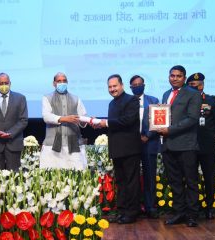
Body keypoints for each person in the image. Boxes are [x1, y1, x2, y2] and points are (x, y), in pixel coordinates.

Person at [156, 65, 201, 227]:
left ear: (184, 77)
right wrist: (158, 126)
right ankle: (179, 212)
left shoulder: (193, 94)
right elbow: (164, 116)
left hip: (186, 145)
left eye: (178, 76)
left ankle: (192, 215)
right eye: (172, 75)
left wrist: (169, 129)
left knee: (190, 182)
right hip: (168, 145)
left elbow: (192, 119)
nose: (174, 78)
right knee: (174, 182)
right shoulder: (166, 94)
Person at [98, 74, 142, 224]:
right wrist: (102, 124)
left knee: (132, 182)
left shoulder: (132, 100)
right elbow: (114, 125)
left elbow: (128, 120)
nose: (112, 89)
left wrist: (106, 123)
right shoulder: (111, 103)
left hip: (130, 149)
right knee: (121, 182)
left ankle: (132, 212)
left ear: (122, 85)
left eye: (115, 86)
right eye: (110, 87)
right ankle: (122, 211)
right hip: (117, 149)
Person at [186, 72, 215, 220]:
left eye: (195, 85)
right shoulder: (186, 99)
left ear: (202, 84)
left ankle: (209, 208)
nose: (193, 88)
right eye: (190, 86)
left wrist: (211, 135)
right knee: (191, 178)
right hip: (189, 144)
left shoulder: (212, 100)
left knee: (209, 177)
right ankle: (193, 209)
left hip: (207, 145)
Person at [39, 72, 88, 170]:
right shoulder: (47, 98)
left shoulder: (76, 98)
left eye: (64, 81)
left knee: (76, 175)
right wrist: (65, 119)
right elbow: (46, 116)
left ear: (67, 82)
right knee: (52, 176)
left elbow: (82, 117)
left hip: (73, 143)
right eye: (59, 81)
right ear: (54, 83)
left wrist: (87, 120)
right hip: (53, 143)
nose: (62, 83)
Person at [129, 75, 160, 219]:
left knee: (149, 177)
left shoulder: (153, 101)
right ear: (130, 87)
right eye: (134, 85)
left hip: (150, 142)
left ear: (144, 85)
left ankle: (150, 207)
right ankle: (134, 207)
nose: (137, 86)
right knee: (132, 177)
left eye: (139, 84)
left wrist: (147, 135)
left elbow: (158, 120)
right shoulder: (127, 101)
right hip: (132, 144)